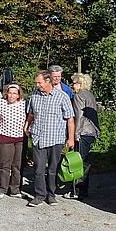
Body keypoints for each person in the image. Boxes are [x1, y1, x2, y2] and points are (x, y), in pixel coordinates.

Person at [24, 70, 75, 207]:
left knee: (52, 169)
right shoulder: (34, 95)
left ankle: (51, 195)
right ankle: (39, 195)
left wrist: (70, 138)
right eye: (36, 83)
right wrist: (26, 126)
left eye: (39, 82)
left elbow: (70, 119)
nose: (37, 85)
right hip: (38, 137)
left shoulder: (62, 96)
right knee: (38, 169)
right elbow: (31, 114)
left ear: (48, 81)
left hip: (55, 138)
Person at [0, 83, 26, 199]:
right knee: (4, 164)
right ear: (6, 93)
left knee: (17, 165)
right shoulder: (0, 103)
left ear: (19, 95)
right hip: (4, 137)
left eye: (15, 93)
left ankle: (15, 189)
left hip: (19, 138)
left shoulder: (24, 104)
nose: (12, 95)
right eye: (10, 93)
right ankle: (2, 189)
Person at [69, 72, 99, 199]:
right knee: (84, 161)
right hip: (91, 131)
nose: (72, 85)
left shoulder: (79, 96)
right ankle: (83, 190)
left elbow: (79, 116)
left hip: (83, 132)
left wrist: (76, 134)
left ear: (80, 84)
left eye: (74, 83)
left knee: (78, 162)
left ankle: (78, 191)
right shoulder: (89, 95)